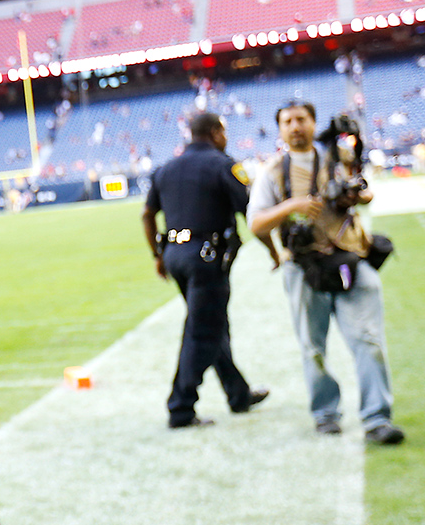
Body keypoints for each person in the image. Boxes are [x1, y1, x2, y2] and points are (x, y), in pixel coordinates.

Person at [247, 100, 404, 444]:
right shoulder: (272, 170)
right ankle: (325, 413)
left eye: (301, 119)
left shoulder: (339, 158)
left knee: (369, 340)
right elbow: (255, 222)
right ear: (280, 130)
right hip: (303, 268)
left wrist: (356, 196)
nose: (295, 126)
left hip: (350, 259)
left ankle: (377, 418)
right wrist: (293, 206)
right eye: (287, 121)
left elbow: (367, 191)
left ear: (313, 122)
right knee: (313, 347)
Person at [141, 112, 269, 428]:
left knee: (210, 323)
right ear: (215, 132)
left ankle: (238, 394)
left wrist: (157, 254)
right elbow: (250, 211)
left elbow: (147, 214)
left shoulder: (166, 167)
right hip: (207, 257)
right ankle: (181, 408)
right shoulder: (223, 165)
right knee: (202, 331)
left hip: (174, 256)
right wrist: (274, 249)